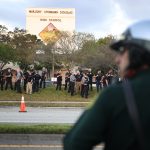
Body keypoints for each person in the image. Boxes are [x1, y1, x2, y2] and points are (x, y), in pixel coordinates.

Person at [63, 20, 150, 150]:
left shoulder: (116, 95)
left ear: (138, 53)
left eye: (122, 51)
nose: (117, 59)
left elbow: (73, 143)